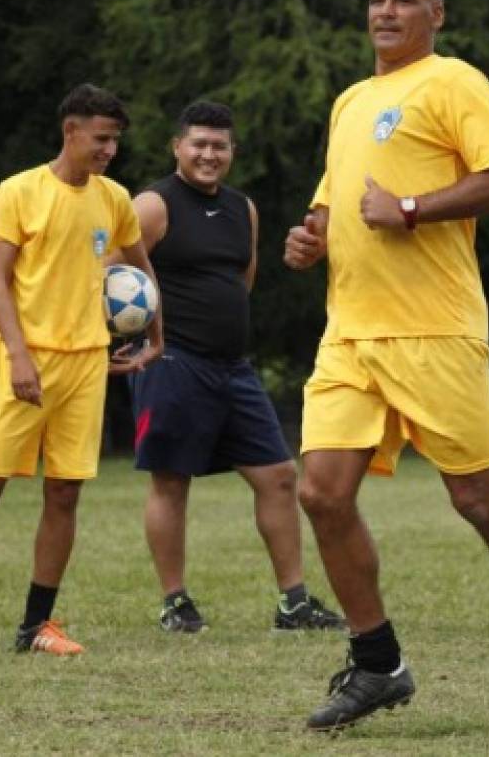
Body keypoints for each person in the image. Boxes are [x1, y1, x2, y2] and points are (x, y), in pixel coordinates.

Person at [284, 0, 489, 733]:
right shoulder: (352, 100)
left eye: (404, 1)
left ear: (436, 15)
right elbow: (337, 205)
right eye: (377, 0)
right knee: (321, 493)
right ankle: (378, 663)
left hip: (435, 331)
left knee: (478, 501)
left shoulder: (455, 83)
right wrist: (312, 238)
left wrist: (414, 207)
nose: (386, 12)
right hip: (351, 333)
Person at [0, 84, 164, 657]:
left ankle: (37, 626)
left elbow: (142, 270)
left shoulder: (115, 199)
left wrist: (156, 337)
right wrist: (20, 355)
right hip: (20, 360)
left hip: (85, 365)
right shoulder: (18, 192)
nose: (109, 150)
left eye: (115, 141)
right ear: (70, 131)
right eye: (101, 138)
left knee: (64, 494)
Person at [117, 100, 343, 633]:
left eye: (219, 146)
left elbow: (243, 280)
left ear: (232, 152)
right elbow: (114, 281)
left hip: (233, 367)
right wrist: (140, 340)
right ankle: (175, 603)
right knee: (171, 481)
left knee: (280, 476)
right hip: (171, 363)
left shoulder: (244, 208)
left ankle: (293, 603)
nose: (208, 154)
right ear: (177, 147)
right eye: (198, 144)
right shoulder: (152, 204)